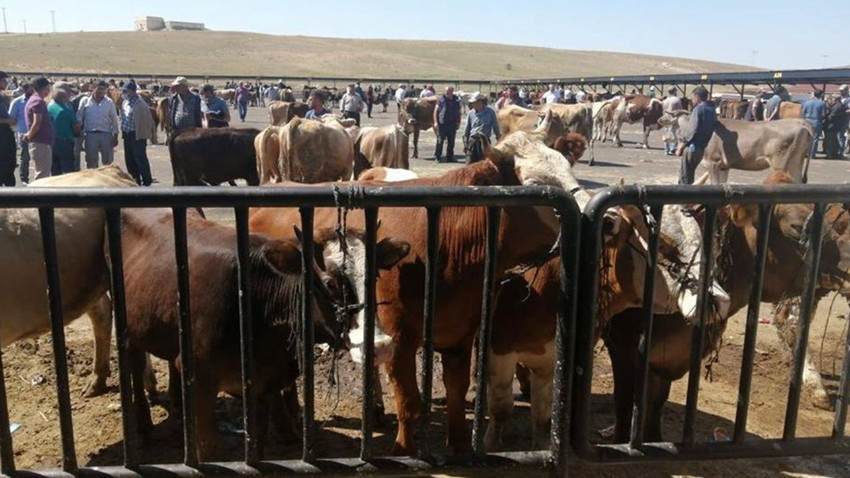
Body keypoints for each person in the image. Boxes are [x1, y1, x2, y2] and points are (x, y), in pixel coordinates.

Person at [676, 86, 716, 185]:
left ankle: (683, 196)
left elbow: (692, 130)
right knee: (691, 172)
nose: (692, 100)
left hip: (692, 147)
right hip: (702, 148)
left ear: (697, 97)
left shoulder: (698, 109)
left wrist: (681, 146)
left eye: (693, 97)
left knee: (685, 175)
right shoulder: (712, 110)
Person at [118, 80, 155, 186]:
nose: (123, 93)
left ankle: (147, 181)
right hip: (127, 134)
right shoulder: (125, 102)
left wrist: (145, 134)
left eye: (125, 91)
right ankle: (135, 180)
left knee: (140, 158)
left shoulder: (140, 104)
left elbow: (146, 120)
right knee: (129, 159)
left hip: (137, 134)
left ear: (132, 91)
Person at [76, 80, 120, 168]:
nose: (101, 91)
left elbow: (114, 119)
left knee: (108, 162)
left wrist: (115, 135)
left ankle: (107, 180)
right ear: (93, 88)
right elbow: (79, 115)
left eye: (104, 89)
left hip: (106, 134)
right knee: (91, 160)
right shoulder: (85, 101)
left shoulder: (109, 102)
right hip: (90, 134)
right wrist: (79, 127)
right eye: (99, 88)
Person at [22, 77, 55, 181]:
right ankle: (38, 196)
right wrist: (29, 135)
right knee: (42, 175)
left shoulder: (34, 100)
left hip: (39, 142)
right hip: (40, 142)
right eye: (47, 88)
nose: (49, 90)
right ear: (42, 88)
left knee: (42, 172)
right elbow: (37, 123)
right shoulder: (38, 101)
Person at [462, 92, 500, 165]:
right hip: (472, 141)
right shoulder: (471, 113)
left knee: (484, 165)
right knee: (469, 164)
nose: (472, 105)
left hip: (484, 141)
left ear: (480, 102)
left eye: (474, 103)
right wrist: (465, 144)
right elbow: (466, 129)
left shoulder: (490, 112)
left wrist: (499, 138)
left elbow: (495, 127)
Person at [47, 89, 78, 175]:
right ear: (64, 98)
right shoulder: (66, 110)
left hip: (52, 141)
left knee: (55, 168)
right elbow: (75, 126)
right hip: (65, 141)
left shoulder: (49, 107)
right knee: (68, 168)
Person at [8, 81, 34, 183]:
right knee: (25, 156)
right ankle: (24, 177)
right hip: (23, 133)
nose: (32, 90)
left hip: (35, 132)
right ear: (25, 89)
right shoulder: (17, 102)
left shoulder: (36, 101)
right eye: (30, 88)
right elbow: (11, 118)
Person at [432, 86, 461, 163]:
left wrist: (458, 122)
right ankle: (438, 156)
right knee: (440, 141)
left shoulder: (456, 100)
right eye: (445, 91)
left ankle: (450, 156)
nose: (446, 92)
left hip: (452, 124)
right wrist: (435, 122)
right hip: (442, 124)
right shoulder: (441, 100)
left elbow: (459, 112)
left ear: (452, 91)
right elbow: (435, 111)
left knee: (451, 141)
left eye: (448, 91)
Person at [0, 72, 16, 186]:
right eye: (4, 81)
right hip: (2, 133)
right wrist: (7, 121)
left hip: (5, 133)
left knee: (9, 162)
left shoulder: (2, 97)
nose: (6, 83)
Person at [801, 89, 827, 159]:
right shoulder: (822, 103)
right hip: (816, 121)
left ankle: (805, 153)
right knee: (815, 139)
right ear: (821, 95)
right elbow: (824, 114)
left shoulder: (806, 102)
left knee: (806, 138)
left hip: (807, 121)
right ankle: (812, 154)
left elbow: (803, 113)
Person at [823, 94, 846, 159]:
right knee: (834, 141)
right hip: (836, 125)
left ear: (836, 99)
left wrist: (825, 117)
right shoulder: (840, 105)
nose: (832, 100)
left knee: (830, 141)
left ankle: (830, 155)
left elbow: (832, 116)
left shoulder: (837, 106)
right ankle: (834, 154)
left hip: (832, 125)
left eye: (833, 99)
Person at [661, 88, 683, 155]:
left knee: (666, 133)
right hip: (673, 118)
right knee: (674, 133)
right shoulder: (677, 99)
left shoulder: (665, 100)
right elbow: (680, 108)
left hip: (665, 118)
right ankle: (672, 148)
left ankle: (666, 149)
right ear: (674, 91)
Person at [839, 85, 850, 155]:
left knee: (841, 135)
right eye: (840, 91)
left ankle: (841, 151)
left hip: (846, 119)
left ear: (846, 90)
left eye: (842, 91)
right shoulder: (839, 98)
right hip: (838, 119)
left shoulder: (849, 99)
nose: (840, 92)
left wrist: (842, 112)